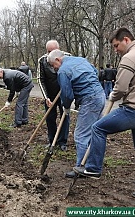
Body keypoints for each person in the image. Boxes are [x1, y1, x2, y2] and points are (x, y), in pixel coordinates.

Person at [73, 27, 135, 205]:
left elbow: (120, 88)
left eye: (116, 45)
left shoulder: (129, 58)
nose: (116, 50)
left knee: (97, 128)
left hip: (134, 111)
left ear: (126, 40)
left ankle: (93, 168)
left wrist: (112, 97)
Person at [47, 49, 105, 178]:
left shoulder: (63, 71)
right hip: (100, 95)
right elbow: (95, 72)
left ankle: (81, 167)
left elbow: (67, 95)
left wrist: (66, 107)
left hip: (89, 100)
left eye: (53, 66)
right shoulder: (81, 60)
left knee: (81, 135)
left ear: (58, 60)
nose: (54, 69)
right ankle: (94, 164)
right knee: (96, 131)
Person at [37, 40, 70, 152]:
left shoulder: (67, 57)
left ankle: (62, 141)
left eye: (52, 51)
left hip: (63, 93)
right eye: (48, 51)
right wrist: (46, 97)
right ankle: (52, 140)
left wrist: (67, 91)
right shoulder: (42, 60)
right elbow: (40, 79)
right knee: (50, 117)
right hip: (50, 94)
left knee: (65, 116)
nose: (50, 54)